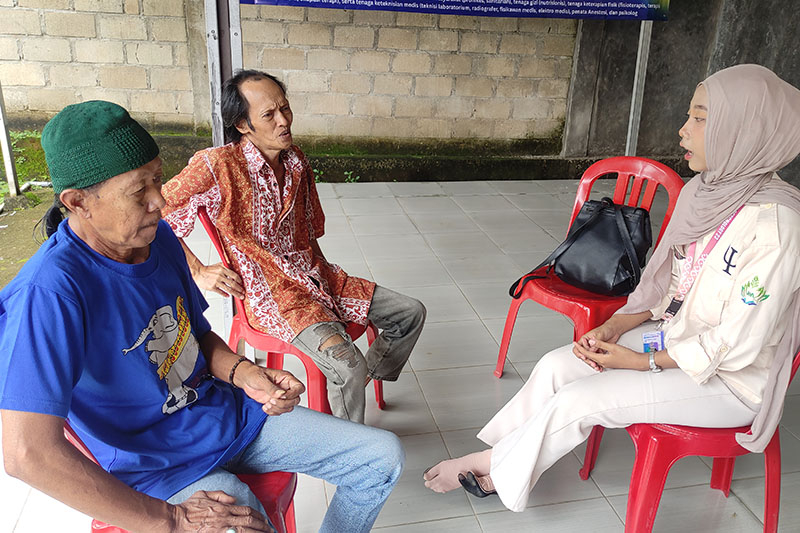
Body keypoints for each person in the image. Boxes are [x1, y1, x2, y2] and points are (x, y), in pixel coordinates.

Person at [0, 100, 404, 533]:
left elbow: (197, 337)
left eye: (158, 179)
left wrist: (244, 372)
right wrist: (171, 518)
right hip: (156, 465)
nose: (159, 201)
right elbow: (28, 454)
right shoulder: (48, 294)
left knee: (380, 457)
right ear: (78, 202)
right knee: (240, 517)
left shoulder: (159, 239)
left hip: (224, 418)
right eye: (138, 192)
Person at [423, 64, 800, 512]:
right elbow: (669, 285)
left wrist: (641, 362)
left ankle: (489, 466)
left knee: (581, 399)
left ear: (743, 131)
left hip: (729, 381)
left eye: (700, 118)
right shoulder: (708, 192)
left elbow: (739, 342)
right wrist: (616, 326)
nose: (683, 130)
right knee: (557, 365)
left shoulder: (777, 226)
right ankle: (503, 458)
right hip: (675, 338)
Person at [161, 70, 426, 423]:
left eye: (284, 108)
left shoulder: (296, 160)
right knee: (347, 366)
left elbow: (311, 231)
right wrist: (198, 270)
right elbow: (157, 209)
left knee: (410, 313)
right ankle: (349, 445)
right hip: (274, 295)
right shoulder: (218, 165)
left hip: (317, 277)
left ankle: (361, 381)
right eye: (269, 115)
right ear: (242, 124)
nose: (283, 121)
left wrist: (332, 283)